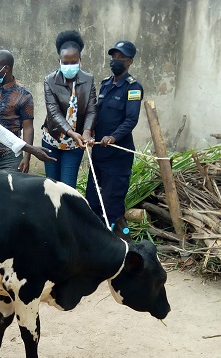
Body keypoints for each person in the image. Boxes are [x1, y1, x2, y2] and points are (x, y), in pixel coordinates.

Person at [86, 40, 143, 241]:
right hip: (99, 154)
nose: (116, 60)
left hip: (118, 155)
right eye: (114, 57)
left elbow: (131, 119)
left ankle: (121, 241)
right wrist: (90, 130)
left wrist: (113, 137)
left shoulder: (133, 88)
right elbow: (96, 112)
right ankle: (98, 240)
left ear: (130, 61)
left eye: (121, 57)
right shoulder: (105, 84)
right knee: (93, 200)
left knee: (112, 203)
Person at [41, 30, 97, 188]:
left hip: (75, 144)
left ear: (80, 60)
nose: (69, 66)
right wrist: (71, 133)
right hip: (52, 140)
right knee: (52, 186)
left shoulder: (88, 80)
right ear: (59, 60)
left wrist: (87, 131)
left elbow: (92, 109)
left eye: (74, 62)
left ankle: (66, 214)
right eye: (65, 62)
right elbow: (53, 112)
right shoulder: (50, 81)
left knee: (68, 187)